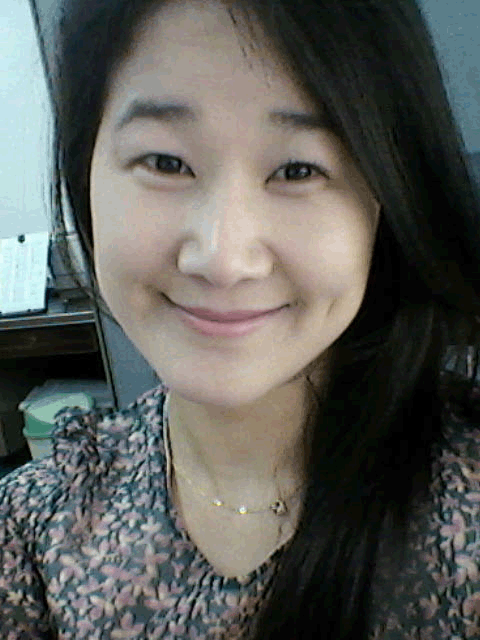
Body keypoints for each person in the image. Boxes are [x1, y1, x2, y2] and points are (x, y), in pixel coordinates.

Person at [1, 0, 480, 637]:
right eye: (165, 162)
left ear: (387, 200)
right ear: (84, 175)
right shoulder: (36, 528)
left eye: (298, 169)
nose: (222, 259)